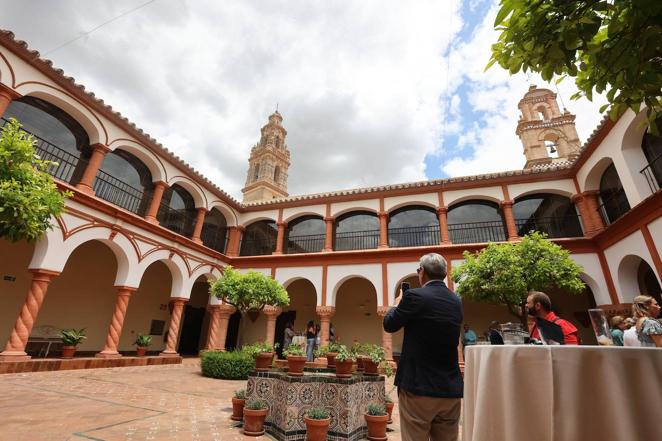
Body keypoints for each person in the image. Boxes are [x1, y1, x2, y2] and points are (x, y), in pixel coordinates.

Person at [383, 253, 463, 441]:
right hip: (450, 389)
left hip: (418, 387)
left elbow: (390, 324)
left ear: (422, 272)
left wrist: (396, 304)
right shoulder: (456, 301)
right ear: (444, 274)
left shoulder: (414, 297)